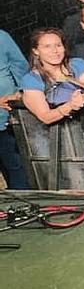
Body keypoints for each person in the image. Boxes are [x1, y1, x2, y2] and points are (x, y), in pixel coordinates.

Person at [20, 28, 84, 174]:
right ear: (36, 51)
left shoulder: (77, 64)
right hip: (55, 141)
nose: (55, 51)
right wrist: (70, 106)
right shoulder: (31, 79)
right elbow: (45, 116)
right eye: (47, 47)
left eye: (58, 45)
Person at [0, 29, 31, 189]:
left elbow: (21, 69)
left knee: (17, 167)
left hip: (6, 119)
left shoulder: (2, 37)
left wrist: (21, 93)